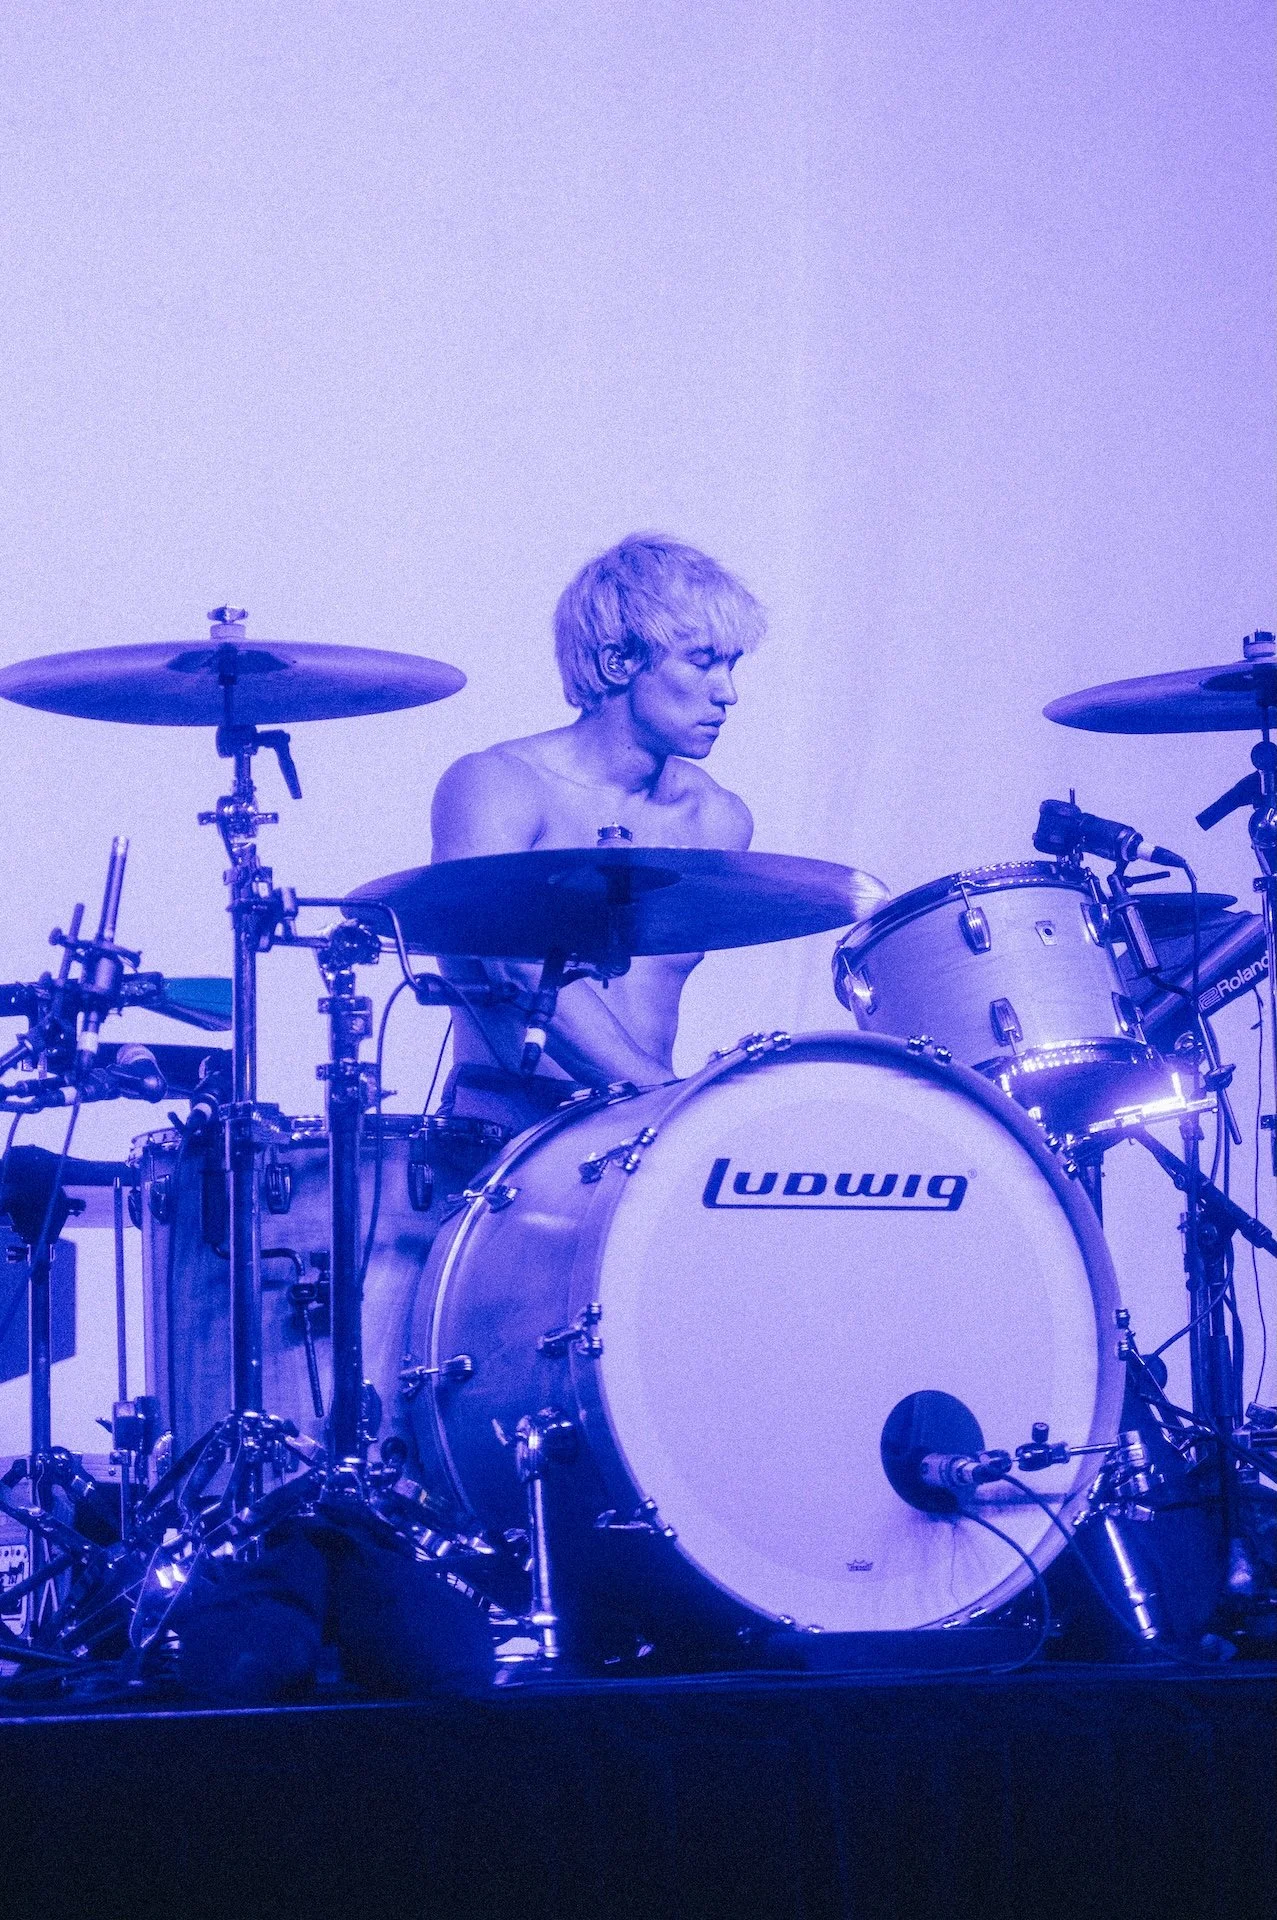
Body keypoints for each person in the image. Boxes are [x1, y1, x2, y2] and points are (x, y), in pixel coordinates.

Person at [430, 533, 885, 1118]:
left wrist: (670, 1117)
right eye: (702, 661)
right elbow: (516, 966)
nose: (728, 693)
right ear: (617, 662)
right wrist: (673, 1103)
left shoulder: (716, 819)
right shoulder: (496, 784)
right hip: (508, 1138)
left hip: (637, 1141)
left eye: (732, 664)